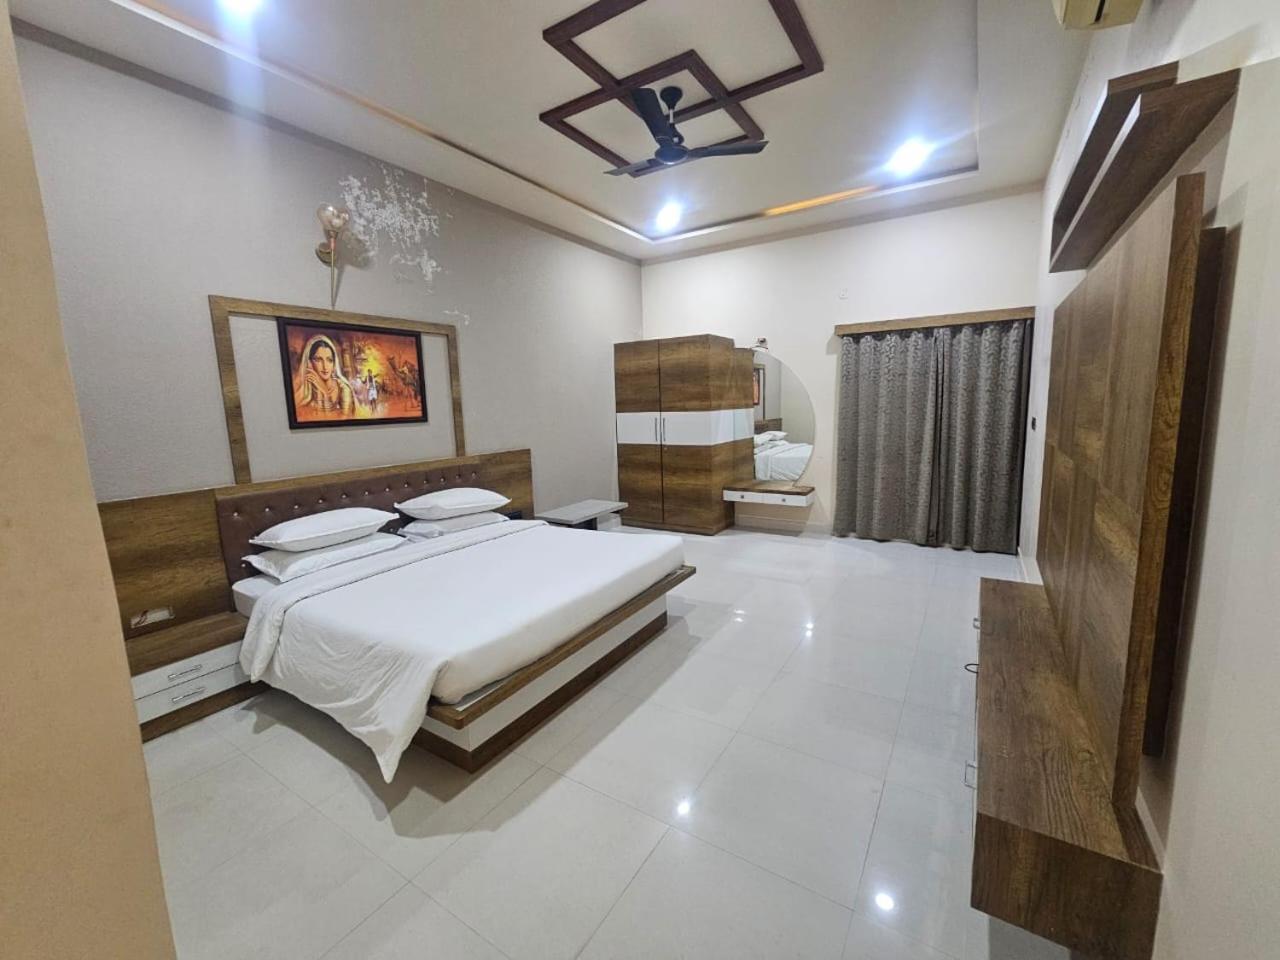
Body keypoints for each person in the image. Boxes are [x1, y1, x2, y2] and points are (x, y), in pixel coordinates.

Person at [292, 334, 354, 417]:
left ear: (334, 363)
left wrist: (324, 392)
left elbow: (344, 422)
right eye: (318, 360)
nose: (325, 366)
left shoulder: (343, 388)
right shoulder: (304, 390)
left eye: (329, 360)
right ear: (309, 362)